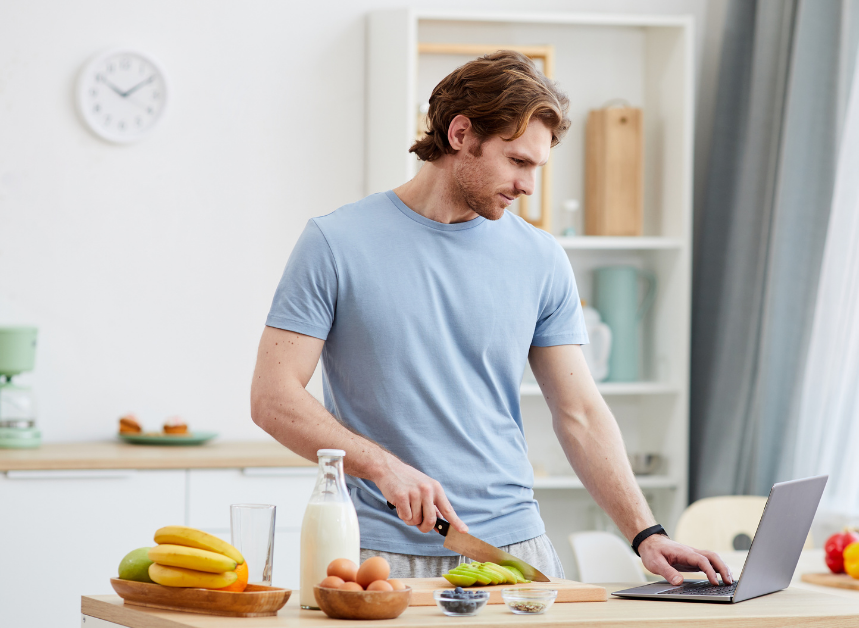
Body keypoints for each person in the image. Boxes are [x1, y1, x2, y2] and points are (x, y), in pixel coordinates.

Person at [250, 50, 730, 586]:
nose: (530, 187)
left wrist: (648, 535)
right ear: (460, 134)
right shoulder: (334, 243)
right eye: (518, 162)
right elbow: (273, 398)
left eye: (537, 168)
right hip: (378, 553)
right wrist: (382, 466)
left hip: (515, 548)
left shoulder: (541, 258)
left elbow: (580, 413)